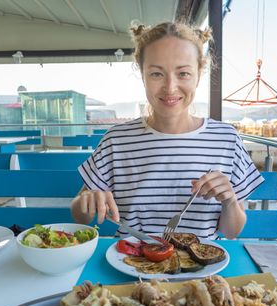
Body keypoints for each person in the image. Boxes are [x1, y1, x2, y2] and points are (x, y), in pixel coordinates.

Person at [71, 22, 264, 240]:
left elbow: (232, 232)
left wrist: (229, 200)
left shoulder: (227, 140)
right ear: (142, 74)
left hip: (203, 268)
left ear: (198, 75)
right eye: (156, 74)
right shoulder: (116, 140)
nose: (170, 87)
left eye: (183, 73)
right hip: (130, 262)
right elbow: (80, 217)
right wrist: (86, 201)